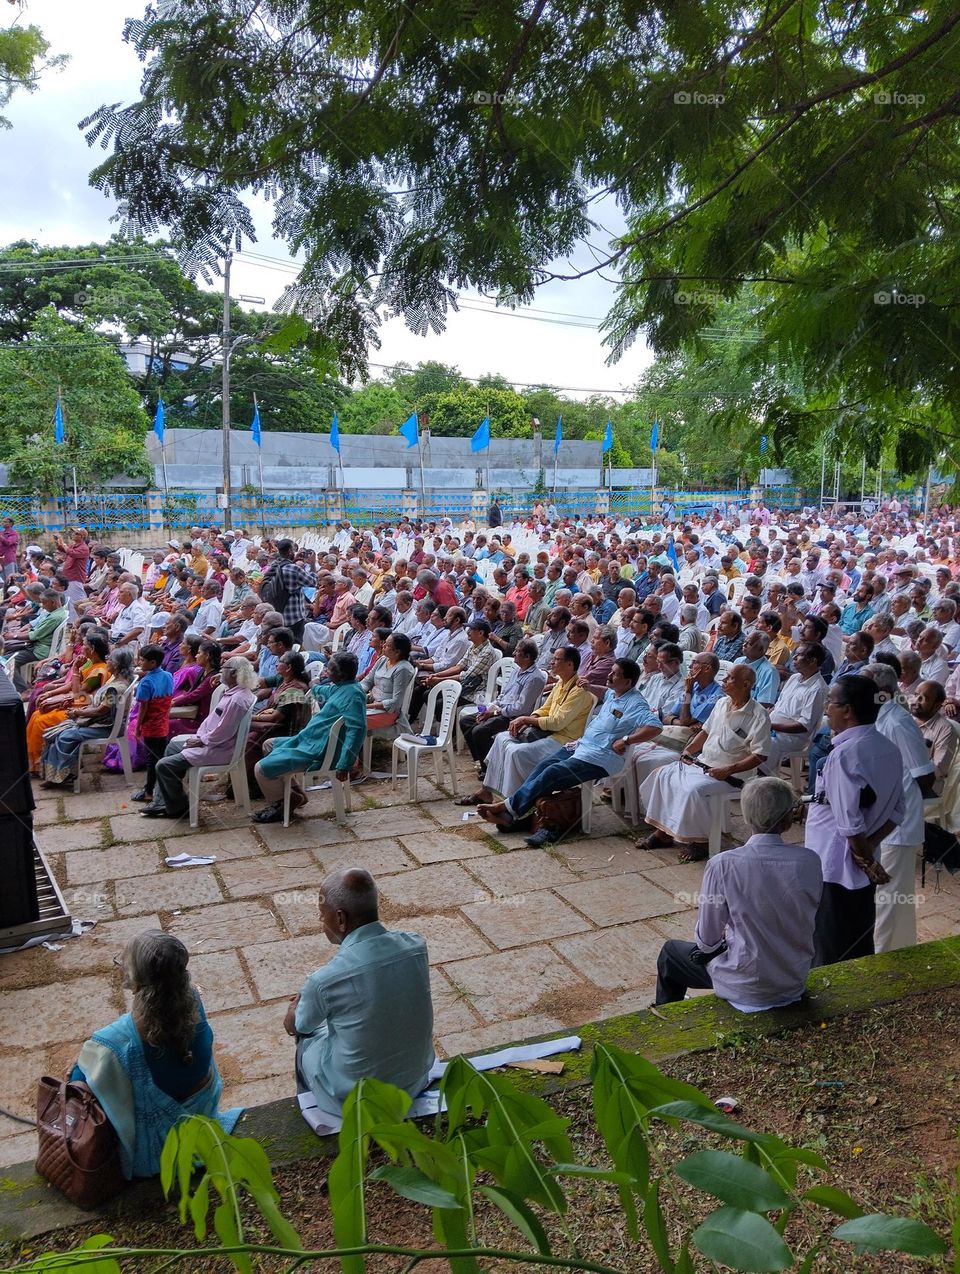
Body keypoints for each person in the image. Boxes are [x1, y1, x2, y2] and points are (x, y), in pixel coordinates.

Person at [71, 931, 240, 1179]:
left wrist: (78, 1068)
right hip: (204, 1117)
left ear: (136, 982)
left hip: (161, 1143)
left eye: (124, 963)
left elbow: (78, 1084)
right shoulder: (193, 999)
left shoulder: (117, 1040)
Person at [654, 777, 823, 1007]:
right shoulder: (810, 861)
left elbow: (707, 941)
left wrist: (727, 936)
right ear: (787, 821)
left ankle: (666, 1021)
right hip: (791, 981)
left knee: (670, 954)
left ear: (746, 816)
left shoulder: (723, 864)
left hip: (745, 985)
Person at [286, 868, 434, 1117]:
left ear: (340, 919)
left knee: (307, 1039)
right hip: (411, 1084)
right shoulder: (416, 946)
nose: (322, 923)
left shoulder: (323, 980)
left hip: (356, 1100)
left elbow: (299, 1025)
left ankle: (312, 1109)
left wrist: (293, 1012)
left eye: (322, 915)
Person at [478, 658, 661, 843]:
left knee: (552, 773)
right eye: (611, 671)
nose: (610, 675)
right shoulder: (616, 693)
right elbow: (606, 693)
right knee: (544, 766)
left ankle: (508, 809)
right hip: (583, 746)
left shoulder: (636, 704)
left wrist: (626, 739)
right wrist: (590, 687)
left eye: (615, 674)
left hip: (601, 758)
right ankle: (517, 814)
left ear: (628, 682)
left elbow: (655, 727)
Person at [805, 675, 904, 966]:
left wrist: (866, 859)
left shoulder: (846, 755)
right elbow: (899, 810)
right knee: (859, 935)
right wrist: (870, 851)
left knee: (830, 945)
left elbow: (849, 824)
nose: (826, 709)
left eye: (831, 703)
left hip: (834, 865)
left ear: (847, 710)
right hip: (860, 863)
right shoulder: (887, 748)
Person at [636, 663, 771, 862]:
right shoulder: (722, 703)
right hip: (704, 763)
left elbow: (761, 755)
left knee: (692, 790)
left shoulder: (758, 715)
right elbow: (705, 732)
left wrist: (728, 769)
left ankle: (700, 841)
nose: (724, 681)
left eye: (730, 678)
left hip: (732, 773)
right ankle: (663, 833)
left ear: (746, 684)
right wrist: (689, 750)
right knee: (663, 775)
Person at [459, 645, 593, 805]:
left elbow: (557, 723)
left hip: (563, 740)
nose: (552, 663)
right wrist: (531, 718)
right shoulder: (560, 683)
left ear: (570, 665)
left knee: (515, 753)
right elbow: (545, 708)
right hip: (547, 732)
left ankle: (512, 802)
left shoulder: (578, 690)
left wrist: (526, 720)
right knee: (501, 739)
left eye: (557, 659)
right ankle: (486, 791)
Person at [861, 662, 933, 952]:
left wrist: (897, 798)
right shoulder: (878, 716)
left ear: (883, 692)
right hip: (883, 815)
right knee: (888, 892)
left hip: (898, 822)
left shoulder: (898, 722)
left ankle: (883, 954)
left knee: (889, 893)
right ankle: (898, 947)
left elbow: (924, 774)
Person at [254, 650, 367, 822]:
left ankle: (282, 803)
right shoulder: (343, 687)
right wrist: (314, 684)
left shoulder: (353, 696)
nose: (325, 672)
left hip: (317, 751)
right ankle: (297, 794)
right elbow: (323, 691)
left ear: (341, 674)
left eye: (329, 670)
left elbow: (357, 730)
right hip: (308, 740)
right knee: (268, 744)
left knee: (260, 769)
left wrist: (345, 764)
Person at [141, 657, 259, 820]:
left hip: (217, 748)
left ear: (233, 673)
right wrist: (222, 678)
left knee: (163, 766)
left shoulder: (238, 700)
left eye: (223, 668)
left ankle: (179, 808)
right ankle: (162, 801)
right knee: (171, 748)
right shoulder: (236, 690)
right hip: (210, 741)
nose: (219, 671)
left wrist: (202, 740)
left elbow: (225, 731)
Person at [38, 649, 135, 786]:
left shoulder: (116, 688)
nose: (108, 661)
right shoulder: (118, 680)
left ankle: (64, 774)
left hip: (107, 727)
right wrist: (82, 710)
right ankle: (62, 773)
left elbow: (100, 711)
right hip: (104, 723)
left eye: (111, 660)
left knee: (65, 736)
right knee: (58, 732)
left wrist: (77, 713)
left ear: (117, 665)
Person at [26, 630, 110, 772]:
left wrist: (76, 669)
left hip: (82, 709)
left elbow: (77, 693)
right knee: (35, 715)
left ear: (92, 649)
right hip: (75, 701)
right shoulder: (90, 663)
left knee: (41, 721)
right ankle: (30, 760)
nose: (81, 647)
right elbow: (71, 685)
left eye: (84, 644)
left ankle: (39, 765)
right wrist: (51, 693)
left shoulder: (99, 670)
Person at [130, 645, 175, 805]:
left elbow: (143, 708)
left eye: (142, 660)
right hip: (163, 721)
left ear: (153, 662)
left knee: (151, 759)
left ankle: (148, 791)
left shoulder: (146, 682)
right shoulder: (169, 676)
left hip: (151, 724)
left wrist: (137, 727)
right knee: (159, 755)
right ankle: (157, 787)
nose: (139, 662)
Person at [361, 630, 416, 743]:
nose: (383, 646)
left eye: (387, 645)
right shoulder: (383, 659)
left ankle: (353, 758)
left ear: (397, 652)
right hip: (372, 703)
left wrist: (369, 706)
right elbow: (367, 681)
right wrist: (356, 693)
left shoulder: (403, 669)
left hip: (388, 712)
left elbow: (395, 703)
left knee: (353, 720)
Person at [11, 588, 68, 692]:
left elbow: (34, 635)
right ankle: (21, 684)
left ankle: (24, 691)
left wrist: (13, 636)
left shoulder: (54, 617)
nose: (42, 605)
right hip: (37, 645)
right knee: (10, 650)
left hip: (40, 651)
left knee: (10, 662)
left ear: (53, 602)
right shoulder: (57, 612)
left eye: (44, 603)